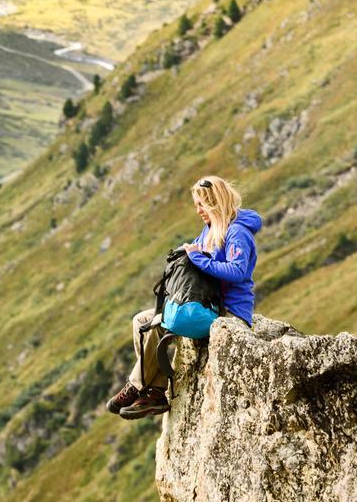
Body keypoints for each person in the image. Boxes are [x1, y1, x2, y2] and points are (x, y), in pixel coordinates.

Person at [107, 176, 263, 419]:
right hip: (206, 305)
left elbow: (237, 271)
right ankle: (155, 393)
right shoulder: (210, 230)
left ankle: (136, 385)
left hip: (229, 312)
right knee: (142, 321)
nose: (198, 211)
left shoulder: (237, 232)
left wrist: (198, 258)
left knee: (157, 324)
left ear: (215, 203)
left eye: (202, 204)